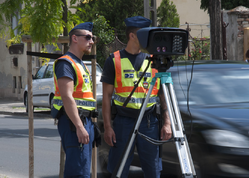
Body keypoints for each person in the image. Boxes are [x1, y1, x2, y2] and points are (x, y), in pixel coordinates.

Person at [100, 16, 172, 178]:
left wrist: (167, 122)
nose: (148, 38)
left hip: (149, 122)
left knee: (153, 171)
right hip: (123, 123)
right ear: (132, 35)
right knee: (119, 170)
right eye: (144, 34)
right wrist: (108, 127)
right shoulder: (114, 60)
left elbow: (163, 95)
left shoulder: (154, 60)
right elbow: (106, 97)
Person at [51, 22, 100, 177]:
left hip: (83, 122)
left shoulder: (79, 63)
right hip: (74, 123)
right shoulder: (66, 63)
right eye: (88, 37)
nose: (91, 41)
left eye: (93, 38)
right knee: (78, 173)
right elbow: (67, 96)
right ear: (74, 38)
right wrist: (79, 126)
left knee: (83, 169)